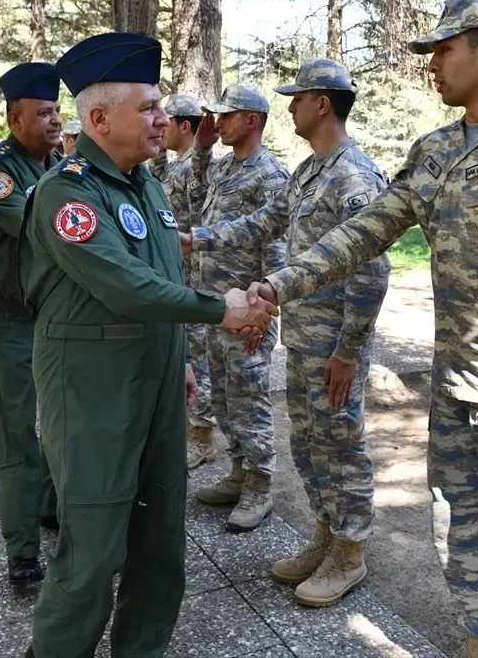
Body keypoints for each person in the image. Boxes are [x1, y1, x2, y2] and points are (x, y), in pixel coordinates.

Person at [249, 0, 478, 658]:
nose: (432, 65)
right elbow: (364, 233)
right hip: (453, 390)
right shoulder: (435, 151)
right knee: (457, 532)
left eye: (442, 50)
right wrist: (277, 284)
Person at [19, 32, 279, 658]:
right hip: (94, 397)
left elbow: (164, 279)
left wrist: (182, 362)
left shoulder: (147, 186)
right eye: (150, 109)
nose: (166, 120)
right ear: (100, 118)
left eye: (162, 108)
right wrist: (224, 309)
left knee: (161, 545)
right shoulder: (68, 193)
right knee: (93, 553)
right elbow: (127, 286)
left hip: (159, 386)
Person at [185, 58, 390, 607]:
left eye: (297, 98)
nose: (291, 107)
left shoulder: (353, 176)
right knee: (309, 442)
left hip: (334, 345)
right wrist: (197, 239)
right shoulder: (308, 172)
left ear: (323, 104)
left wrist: (349, 350)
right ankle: (324, 536)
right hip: (303, 338)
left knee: (341, 444)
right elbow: (260, 224)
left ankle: (350, 555)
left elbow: (372, 269)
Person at [0, 62, 64, 587]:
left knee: (61, 422)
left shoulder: (58, 163)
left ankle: (48, 507)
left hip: (54, 314)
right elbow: (39, 224)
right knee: (19, 432)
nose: (54, 121)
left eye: (56, 111)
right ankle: (22, 552)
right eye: (42, 113)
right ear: (14, 118)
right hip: (12, 317)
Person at [191, 84, 288, 532]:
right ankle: (238, 471)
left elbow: (277, 248)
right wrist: (202, 150)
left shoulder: (269, 175)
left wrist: (264, 313)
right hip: (216, 307)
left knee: (250, 402)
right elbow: (196, 200)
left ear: (253, 120)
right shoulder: (227, 167)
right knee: (224, 400)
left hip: (247, 312)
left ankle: (260, 486)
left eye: (228, 116)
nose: (219, 122)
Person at [159, 92, 218, 469]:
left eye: (166, 120)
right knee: (190, 353)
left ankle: (203, 437)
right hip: (180, 273)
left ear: (184, 125)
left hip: (195, 272)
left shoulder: (192, 170)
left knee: (198, 356)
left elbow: (198, 218)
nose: (159, 127)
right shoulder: (173, 166)